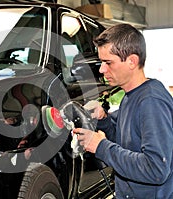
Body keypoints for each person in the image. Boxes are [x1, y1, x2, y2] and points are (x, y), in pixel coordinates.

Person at [73, 23, 173, 198]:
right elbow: (125, 141)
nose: (102, 69)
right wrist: (103, 118)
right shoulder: (130, 96)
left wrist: (101, 147)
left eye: (108, 62)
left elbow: (156, 168)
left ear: (132, 61)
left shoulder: (151, 102)